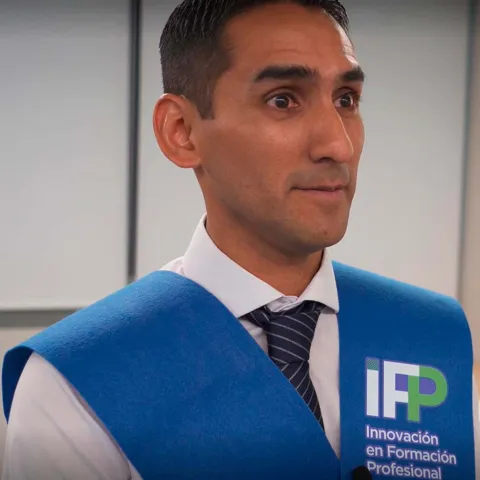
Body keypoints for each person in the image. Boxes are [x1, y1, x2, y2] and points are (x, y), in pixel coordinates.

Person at [2, 0, 478, 479]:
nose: (339, 145)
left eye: (346, 100)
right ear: (182, 132)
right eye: (283, 100)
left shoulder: (429, 342)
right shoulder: (81, 382)